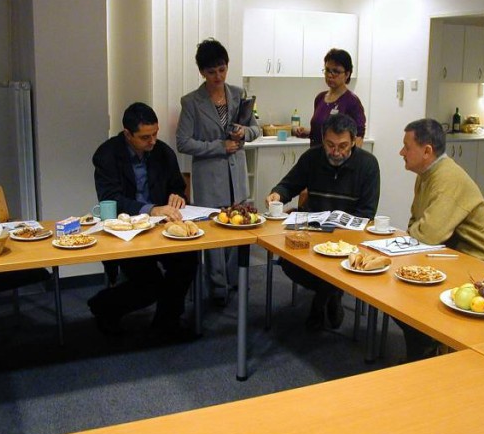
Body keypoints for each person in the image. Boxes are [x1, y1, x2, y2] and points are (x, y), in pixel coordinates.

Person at [88, 102, 198, 341]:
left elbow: (177, 185)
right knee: (150, 284)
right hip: (127, 231)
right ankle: (103, 305)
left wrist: (177, 196)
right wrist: (151, 209)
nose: (152, 141)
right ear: (128, 134)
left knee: (188, 259)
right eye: (145, 137)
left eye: (155, 134)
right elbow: (111, 199)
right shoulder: (107, 155)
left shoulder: (162, 152)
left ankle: (167, 322)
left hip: (161, 229)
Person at [397, 118, 484, 360]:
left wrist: (416, 232)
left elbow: (428, 235)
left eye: (407, 147)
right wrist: (416, 232)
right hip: (445, 257)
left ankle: (426, 352)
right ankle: (422, 349)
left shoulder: (447, 179)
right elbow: (415, 223)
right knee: (397, 292)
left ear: (427, 151)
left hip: (474, 266)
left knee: (406, 297)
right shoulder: (426, 174)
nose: (401, 152)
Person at [266, 113, 380, 330]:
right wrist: (277, 194)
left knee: (338, 266)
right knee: (289, 262)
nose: (336, 152)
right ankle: (331, 293)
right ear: (322, 139)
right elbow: (289, 185)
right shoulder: (312, 158)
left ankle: (320, 302)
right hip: (312, 234)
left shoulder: (368, 165)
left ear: (353, 141)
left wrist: (343, 234)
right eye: (330, 145)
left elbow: (367, 213)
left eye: (343, 146)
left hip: (348, 239)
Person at [176, 38, 261, 303]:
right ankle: (217, 288)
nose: (218, 76)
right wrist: (218, 146)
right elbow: (183, 142)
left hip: (237, 176)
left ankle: (236, 283)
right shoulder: (191, 102)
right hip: (209, 178)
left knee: (238, 228)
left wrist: (244, 132)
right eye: (211, 71)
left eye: (222, 69)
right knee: (214, 234)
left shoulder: (238, 94)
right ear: (202, 72)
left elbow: (256, 129)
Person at [295, 48, 366, 148]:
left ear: (347, 74)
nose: (329, 75)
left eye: (335, 71)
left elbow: (358, 137)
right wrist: (307, 132)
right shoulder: (320, 98)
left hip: (336, 156)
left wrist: (348, 157)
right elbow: (324, 132)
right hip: (316, 154)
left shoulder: (352, 102)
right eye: (327, 70)